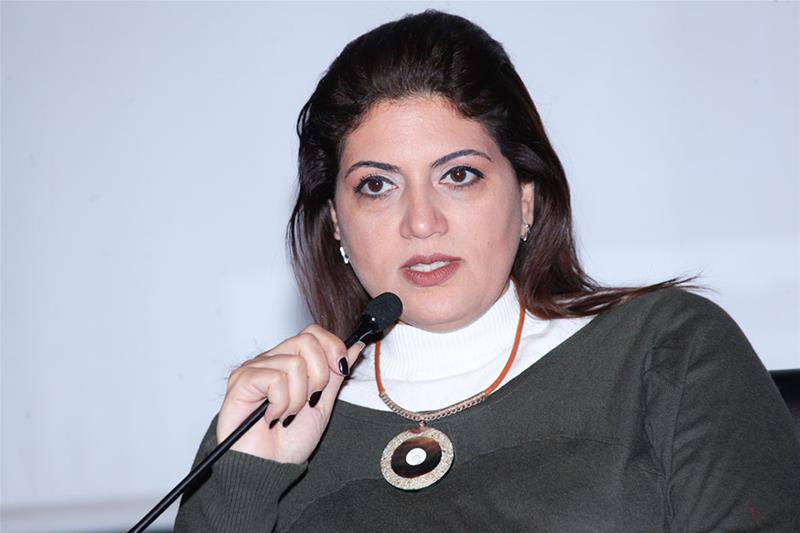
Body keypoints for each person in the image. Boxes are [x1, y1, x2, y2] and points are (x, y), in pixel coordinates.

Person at [174, 10, 799, 531]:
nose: (422, 222)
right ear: (336, 222)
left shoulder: (664, 351)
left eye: (459, 175)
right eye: (377, 185)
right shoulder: (274, 421)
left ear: (525, 200)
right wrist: (249, 478)